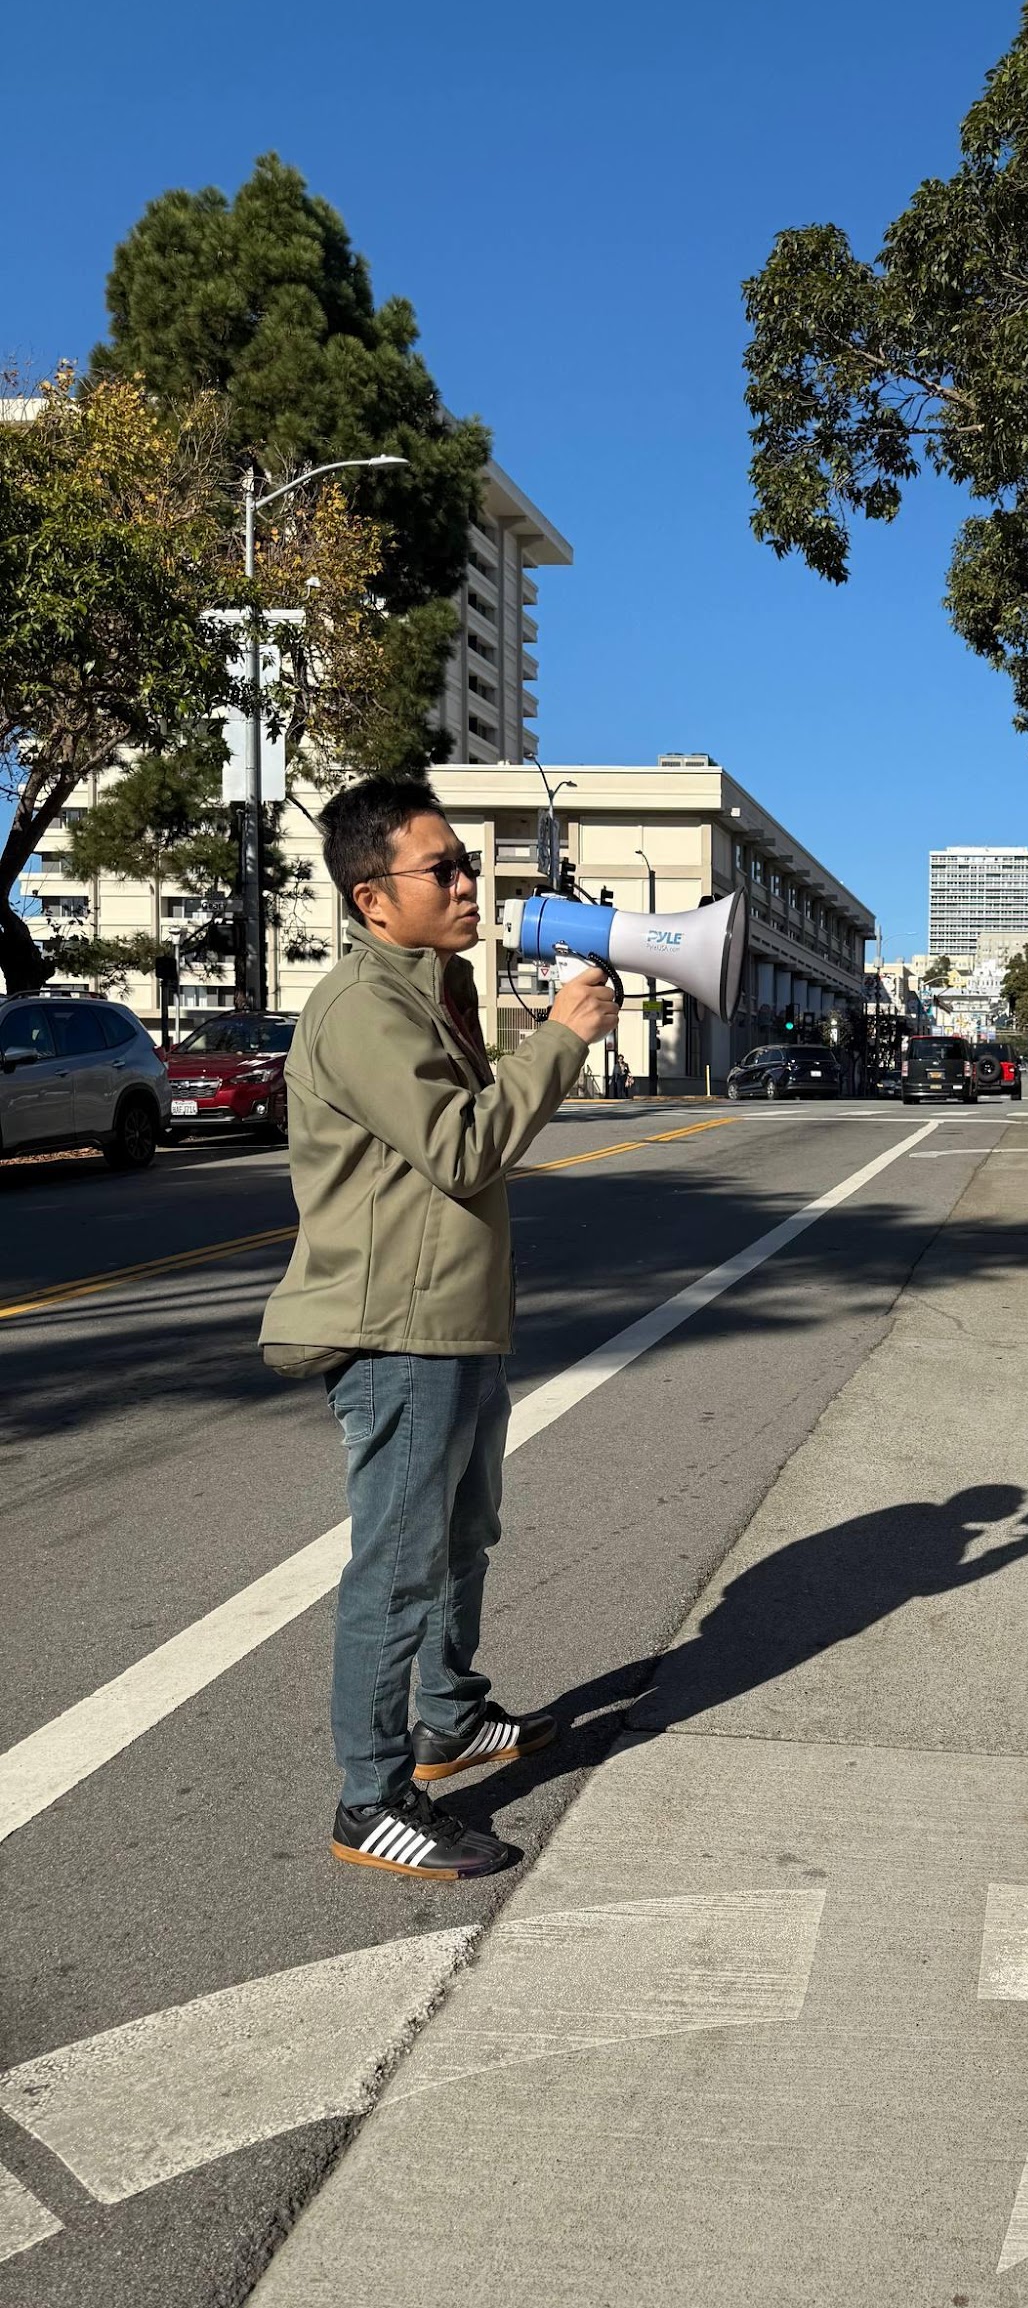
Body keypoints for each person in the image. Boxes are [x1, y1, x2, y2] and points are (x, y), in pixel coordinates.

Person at [261, 777, 618, 1881]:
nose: (469, 884)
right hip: (398, 1331)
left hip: (455, 1321)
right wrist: (558, 1042)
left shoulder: (434, 989)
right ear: (373, 898)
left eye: (466, 864)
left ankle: (451, 1718)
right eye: (444, 869)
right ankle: (370, 1798)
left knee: (464, 1537)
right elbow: (463, 1149)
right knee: (399, 1566)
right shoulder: (363, 1008)